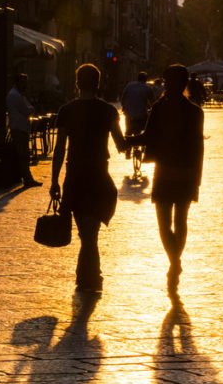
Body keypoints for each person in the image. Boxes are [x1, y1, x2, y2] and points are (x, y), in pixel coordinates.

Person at [50, 63, 126, 293]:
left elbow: (60, 149)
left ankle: (87, 278)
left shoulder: (66, 111)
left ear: (76, 83)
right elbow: (121, 144)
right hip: (98, 177)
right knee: (90, 234)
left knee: (87, 233)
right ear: (98, 83)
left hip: (75, 177)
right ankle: (90, 278)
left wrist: (54, 180)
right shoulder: (108, 111)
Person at [130, 63, 204, 293]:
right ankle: (175, 261)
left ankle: (174, 262)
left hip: (165, 172)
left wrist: (127, 141)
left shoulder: (160, 108)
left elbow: (147, 136)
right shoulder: (194, 111)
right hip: (186, 172)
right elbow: (198, 148)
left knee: (165, 222)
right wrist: (197, 177)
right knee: (180, 221)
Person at [6, 73, 41, 188]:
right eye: (23, 82)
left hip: (21, 127)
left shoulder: (19, 95)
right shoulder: (15, 95)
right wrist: (31, 108)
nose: (25, 84)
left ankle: (25, 177)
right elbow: (27, 110)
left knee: (23, 154)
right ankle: (27, 178)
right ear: (18, 82)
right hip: (19, 127)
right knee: (23, 154)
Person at [121, 71, 154, 158]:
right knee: (142, 129)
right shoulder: (147, 88)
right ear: (145, 80)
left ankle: (127, 149)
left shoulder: (129, 85)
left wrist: (124, 107)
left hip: (129, 113)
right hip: (141, 114)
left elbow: (123, 97)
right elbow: (152, 102)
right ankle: (142, 146)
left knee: (128, 130)